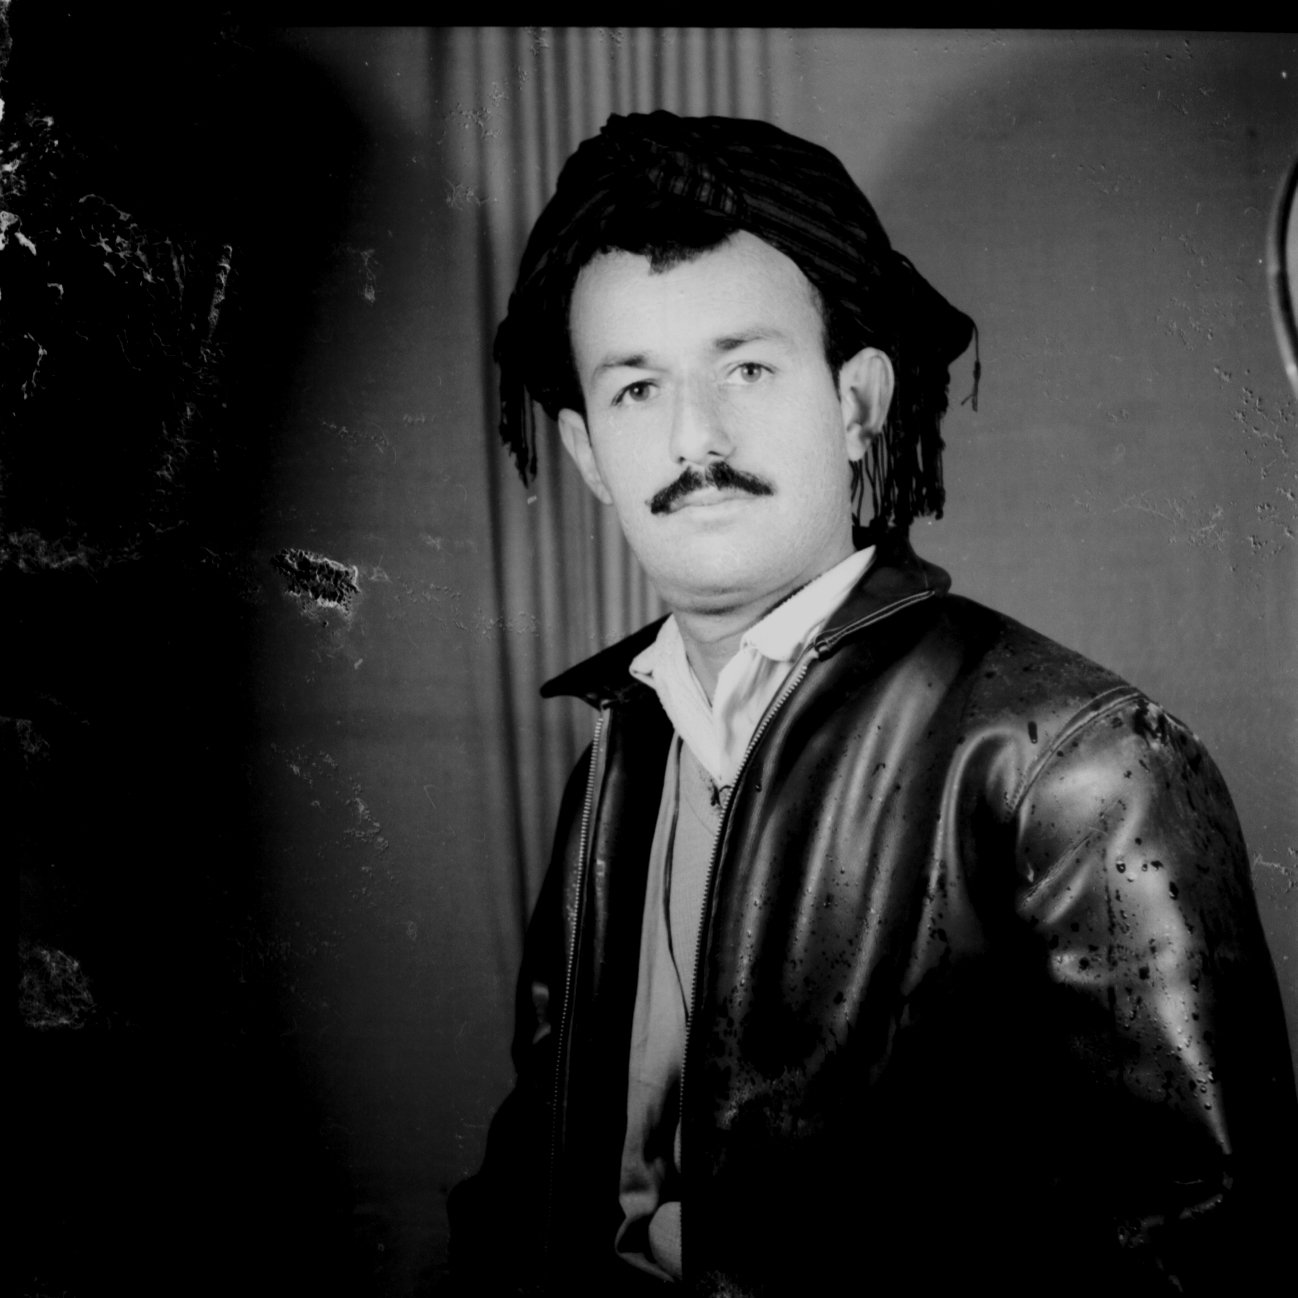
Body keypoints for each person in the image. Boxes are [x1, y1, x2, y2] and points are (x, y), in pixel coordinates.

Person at [448, 110, 1296, 1296]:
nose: (694, 436)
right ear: (588, 453)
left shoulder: (1076, 763)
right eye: (637, 388)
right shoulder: (619, 750)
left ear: (855, 405)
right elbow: (542, 1154)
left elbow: (1201, 1252)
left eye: (746, 368)